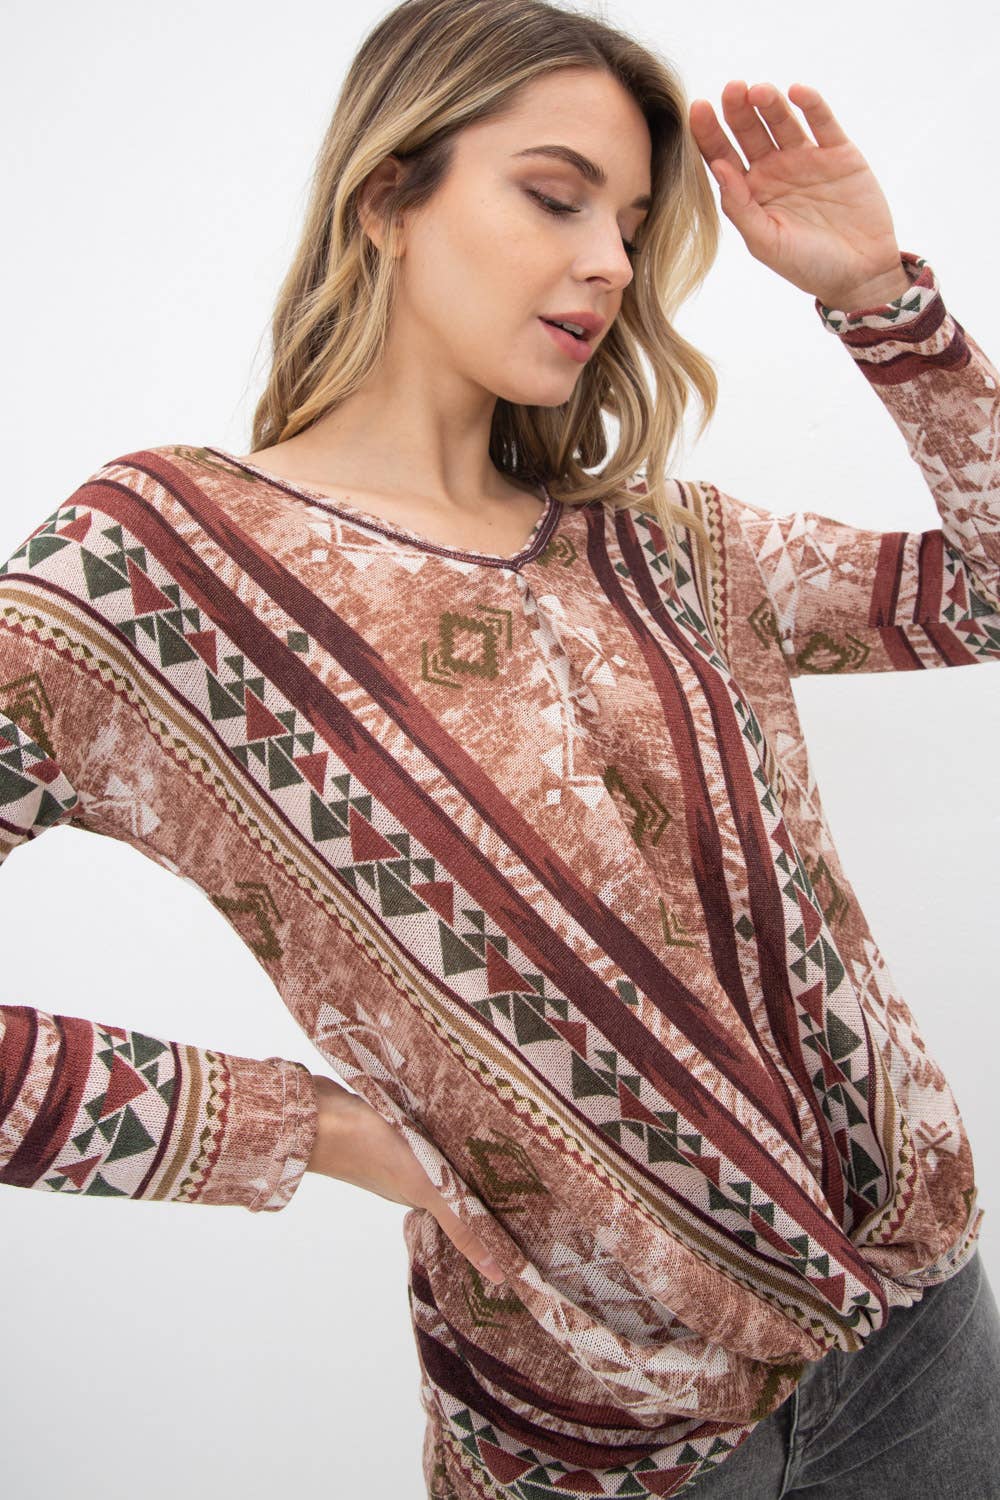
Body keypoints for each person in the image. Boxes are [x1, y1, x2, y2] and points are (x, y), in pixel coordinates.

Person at [2, 0, 998, 1494]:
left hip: (920, 1334)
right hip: (598, 1429)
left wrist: (877, 298)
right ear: (386, 198)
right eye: (554, 196)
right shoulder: (160, 566)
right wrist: (301, 1129)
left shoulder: (667, 546)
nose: (611, 261)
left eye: (633, 224)